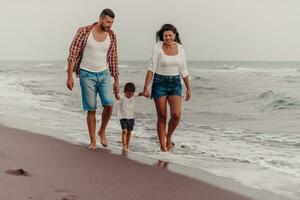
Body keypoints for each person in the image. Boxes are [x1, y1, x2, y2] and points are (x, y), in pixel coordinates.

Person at [66, 8, 119, 150]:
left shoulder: (112, 35)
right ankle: (93, 141)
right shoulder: (84, 31)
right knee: (91, 108)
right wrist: (69, 76)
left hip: (104, 74)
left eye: (112, 23)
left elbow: (113, 58)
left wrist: (116, 81)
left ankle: (102, 131)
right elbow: (73, 53)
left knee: (109, 104)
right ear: (101, 19)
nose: (110, 25)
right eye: (108, 22)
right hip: (86, 74)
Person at [143, 24, 191, 152]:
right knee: (162, 116)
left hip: (175, 83)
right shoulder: (157, 47)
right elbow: (151, 68)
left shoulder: (180, 48)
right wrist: (146, 87)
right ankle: (163, 146)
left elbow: (184, 70)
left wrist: (188, 89)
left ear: (174, 35)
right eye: (165, 35)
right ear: (162, 36)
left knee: (176, 115)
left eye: (170, 35)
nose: (168, 38)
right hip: (159, 83)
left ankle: (168, 137)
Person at [115, 82, 143, 152]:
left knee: (129, 132)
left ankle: (127, 145)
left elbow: (140, 94)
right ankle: (124, 146)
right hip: (123, 117)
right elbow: (117, 97)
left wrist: (145, 93)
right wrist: (115, 93)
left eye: (132, 94)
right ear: (125, 91)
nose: (130, 95)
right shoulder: (122, 97)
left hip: (131, 117)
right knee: (124, 131)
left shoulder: (133, 95)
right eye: (128, 94)